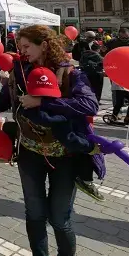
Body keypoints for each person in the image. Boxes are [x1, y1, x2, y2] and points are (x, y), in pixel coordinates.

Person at [0, 25, 103, 256]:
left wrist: (43, 102)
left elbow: (90, 106)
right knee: (35, 213)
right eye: (20, 47)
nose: (22, 51)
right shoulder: (20, 70)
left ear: (45, 45)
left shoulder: (70, 73)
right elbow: (10, 100)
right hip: (29, 152)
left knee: (60, 218)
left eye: (27, 46)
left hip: (66, 156)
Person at [17, 67, 103, 201]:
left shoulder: (24, 106)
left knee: (36, 209)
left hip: (29, 153)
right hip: (58, 158)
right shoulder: (56, 117)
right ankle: (86, 180)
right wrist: (90, 147)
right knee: (58, 213)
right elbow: (69, 138)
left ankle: (86, 180)